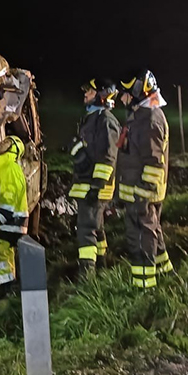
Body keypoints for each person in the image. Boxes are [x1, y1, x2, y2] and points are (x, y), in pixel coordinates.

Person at [117, 70, 173, 289]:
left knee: (140, 237)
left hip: (142, 193)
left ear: (138, 92)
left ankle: (143, 287)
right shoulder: (141, 116)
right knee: (152, 230)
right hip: (140, 191)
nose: (122, 98)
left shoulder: (150, 120)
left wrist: (142, 193)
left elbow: (153, 163)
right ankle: (165, 273)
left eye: (125, 93)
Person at [69, 79, 121, 280]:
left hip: (95, 187)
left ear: (102, 95)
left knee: (86, 231)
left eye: (89, 91)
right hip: (88, 185)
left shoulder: (106, 121)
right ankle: (102, 267)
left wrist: (96, 187)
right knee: (97, 228)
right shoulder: (93, 118)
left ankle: (86, 278)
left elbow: (108, 157)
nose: (85, 94)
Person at [0, 134, 29, 299]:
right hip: (10, 223)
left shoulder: (9, 168)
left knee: (0, 256)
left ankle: (8, 294)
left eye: (8, 143)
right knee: (2, 258)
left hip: (9, 223)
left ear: (14, 149)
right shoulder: (2, 165)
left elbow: (7, 201)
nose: (2, 143)